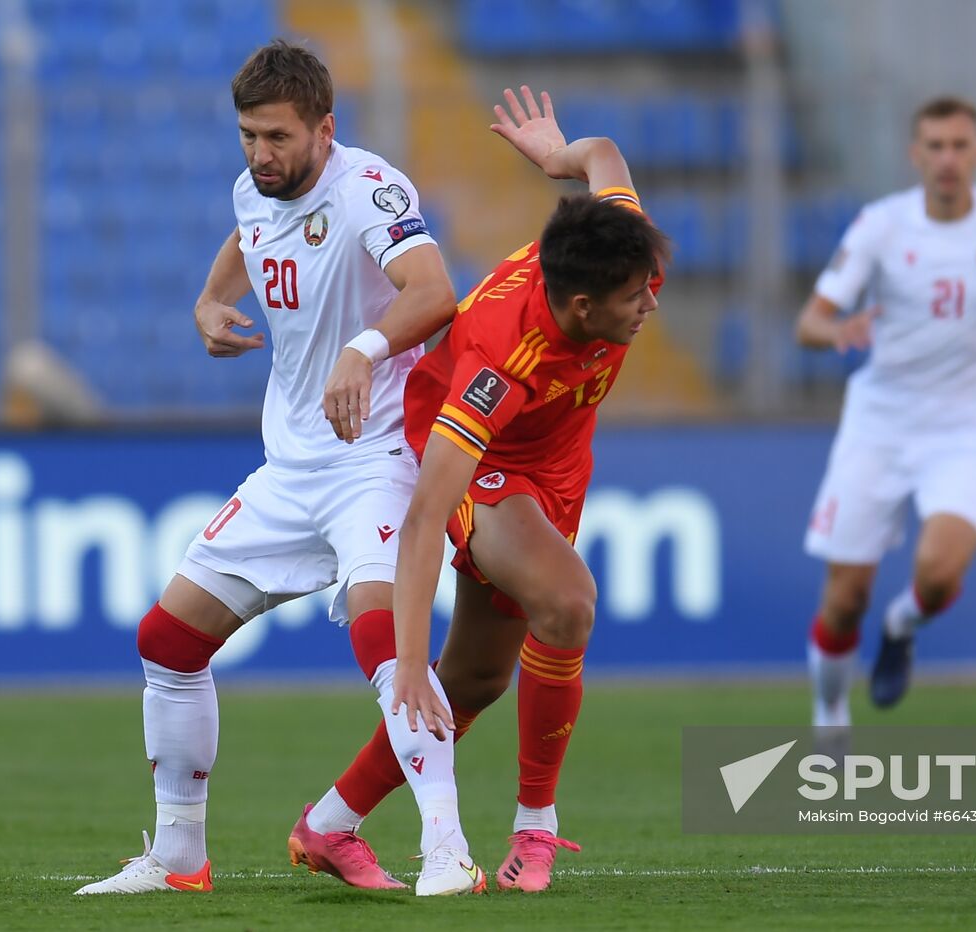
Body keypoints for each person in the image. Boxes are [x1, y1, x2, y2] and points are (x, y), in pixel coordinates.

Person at [76, 40, 484, 897]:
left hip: (374, 458)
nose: (261, 155)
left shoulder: (370, 188)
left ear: (324, 130)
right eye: (248, 137)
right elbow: (247, 233)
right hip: (290, 468)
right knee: (169, 640)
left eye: (277, 138)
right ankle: (180, 859)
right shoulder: (253, 188)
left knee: (387, 639)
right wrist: (210, 299)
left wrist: (364, 351)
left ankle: (447, 851)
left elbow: (434, 291)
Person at [308, 86, 667, 895]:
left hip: (557, 468)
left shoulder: (620, 252)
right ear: (581, 307)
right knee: (568, 602)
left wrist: (557, 156)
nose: (651, 304)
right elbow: (429, 509)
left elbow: (604, 156)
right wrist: (405, 660)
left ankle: (327, 824)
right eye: (634, 299)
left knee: (472, 682)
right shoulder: (503, 362)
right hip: (483, 463)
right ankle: (534, 831)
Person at [795, 96, 976, 724]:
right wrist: (836, 330)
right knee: (845, 598)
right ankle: (830, 711)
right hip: (880, 425)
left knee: (940, 572)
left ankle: (902, 624)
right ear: (914, 155)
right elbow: (809, 320)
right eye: (935, 146)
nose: (947, 159)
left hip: (966, 431)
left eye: (959, 146)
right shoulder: (881, 226)